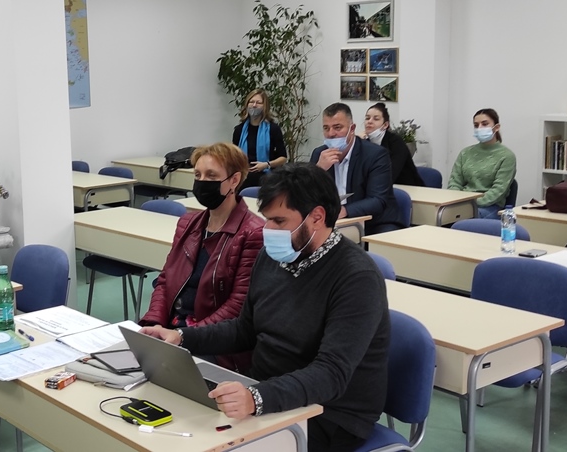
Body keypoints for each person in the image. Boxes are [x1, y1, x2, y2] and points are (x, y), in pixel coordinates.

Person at [141, 163, 389, 452]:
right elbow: (245, 329)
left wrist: (256, 398)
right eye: (267, 219)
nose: (268, 229)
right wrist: (182, 337)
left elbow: (331, 373)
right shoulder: (274, 256)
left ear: (317, 217)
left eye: (279, 221)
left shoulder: (356, 277)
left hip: (329, 413)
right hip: (266, 387)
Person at [140, 143, 264, 371]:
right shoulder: (188, 223)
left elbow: (238, 306)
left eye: (211, 175)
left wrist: (184, 336)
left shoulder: (253, 233)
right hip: (172, 332)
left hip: (215, 344)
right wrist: (154, 324)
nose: (202, 181)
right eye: (198, 175)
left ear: (234, 180)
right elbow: (165, 281)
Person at [310, 103, 403, 234]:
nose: (331, 134)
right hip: (333, 222)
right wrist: (318, 170)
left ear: (352, 128)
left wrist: (343, 210)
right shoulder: (319, 154)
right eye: (326, 128)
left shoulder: (375, 155)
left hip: (375, 223)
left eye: (337, 127)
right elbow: (306, 196)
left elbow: (377, 200)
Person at [448, 109, 517, 218]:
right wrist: (458, 201)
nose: (479, 128)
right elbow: (454, 183)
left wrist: (471, 204)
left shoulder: (507, 156)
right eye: (476, 125)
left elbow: (498, 191)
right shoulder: (465, 153)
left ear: (496, 127)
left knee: (464, 218)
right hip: (462, 203)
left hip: (490, 206)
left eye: (484, 124)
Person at [232, 90, 288, 189]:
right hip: (243, 177)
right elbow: (233, 157)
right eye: (251, 102)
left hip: (266, 177)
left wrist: (266, 164)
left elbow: (283, 158)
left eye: (258, 103)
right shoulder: (239, 130)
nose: (254, 105)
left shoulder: (273, 129)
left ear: (264, 106)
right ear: (247, 104)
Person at [362, 102, 423, 186]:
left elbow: (389, 175)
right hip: (378, 188)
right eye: (367, 118)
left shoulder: (396, 142)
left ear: (385, 125)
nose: (369, 121)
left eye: (376, 119)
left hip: (407, 188)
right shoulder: (364, 143)